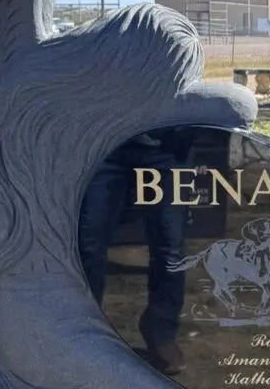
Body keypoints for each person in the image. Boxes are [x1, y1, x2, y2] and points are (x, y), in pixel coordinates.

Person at [78, 128, 194, 375]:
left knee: (170, 246)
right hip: (104, 146)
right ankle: (86, 335)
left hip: (166, 148)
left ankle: (161, 333)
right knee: (88, 244)